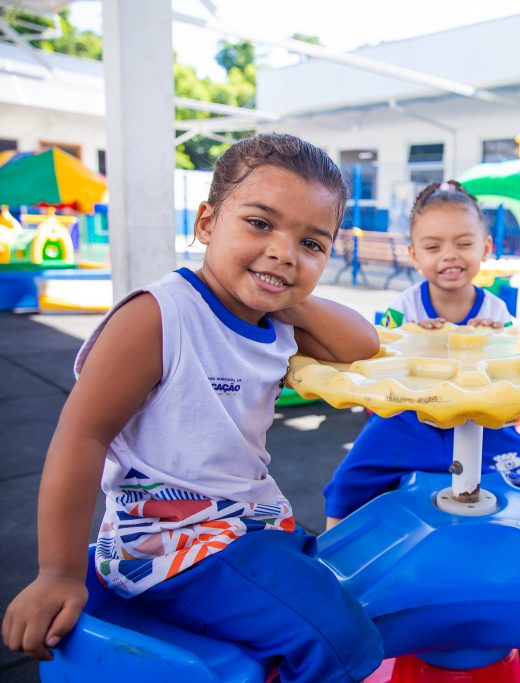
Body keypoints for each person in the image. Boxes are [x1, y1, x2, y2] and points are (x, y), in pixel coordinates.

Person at [2, 133, 385, 682]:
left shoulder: (274, 321)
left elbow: (361, 343)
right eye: (260, 223)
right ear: (206, 223)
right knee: (342, 638)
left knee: (344, 584)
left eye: (312, 243)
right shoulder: (159, 318)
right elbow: (81, 436)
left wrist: (290, 291)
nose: (283, 249)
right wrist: (58, 573)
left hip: (243, 527)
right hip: (168, 546)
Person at [322, 180, 520, 527]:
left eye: (464, 243)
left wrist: (496, 340)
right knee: (347, 482)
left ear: (486, 248)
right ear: (415, 255)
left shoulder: (494, 311)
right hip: (409, 421)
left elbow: (514, 371)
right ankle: (331, 553)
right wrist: (411, 338)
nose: (450, 255)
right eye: (433, 246)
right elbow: (380, 357)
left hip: (481, 423)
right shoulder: (406, 307)